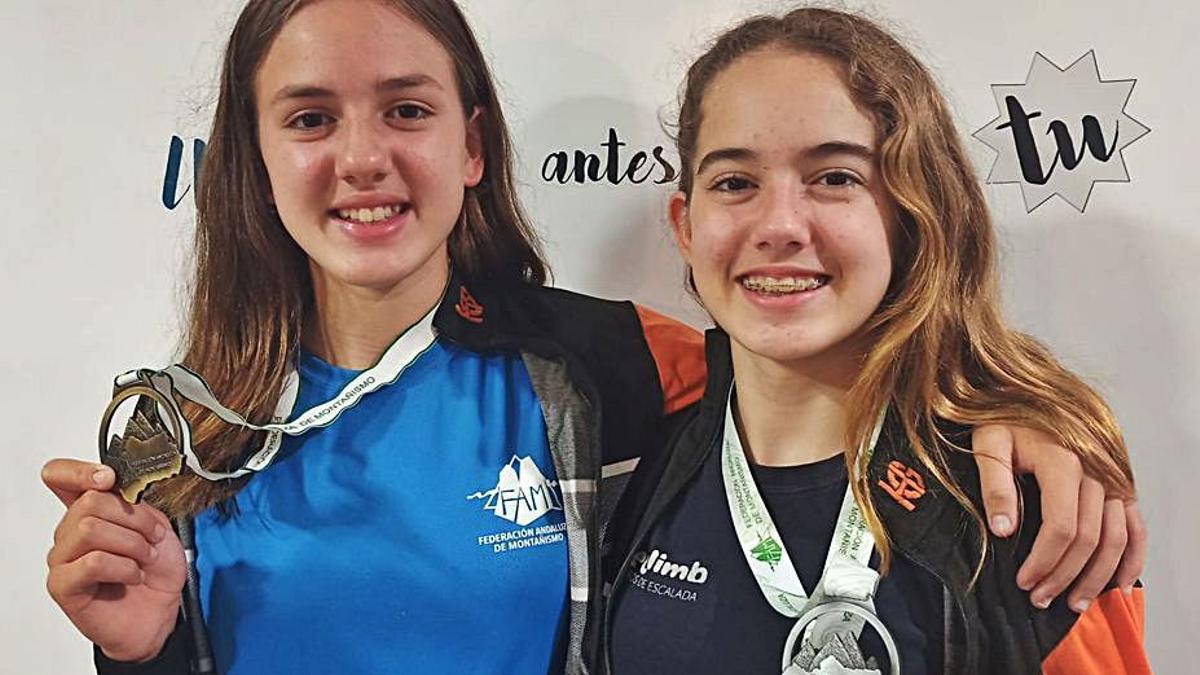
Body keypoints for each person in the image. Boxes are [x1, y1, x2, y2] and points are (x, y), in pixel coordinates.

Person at [41, 1, 1143, 673]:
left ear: (473, 146)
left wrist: (1010, 414)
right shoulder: (188, 431)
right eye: (311, 117)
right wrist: (134, 654)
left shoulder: (610, 365)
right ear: (257, 155)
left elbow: (809, 375)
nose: (364, 157)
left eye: (408, 110)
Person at [604, 7, 1150, 675]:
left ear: (911, 212)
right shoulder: (640, 448)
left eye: (835, 177)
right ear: (686, 227)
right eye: (734, 182)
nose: (779, 225)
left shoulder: (1022, 505)